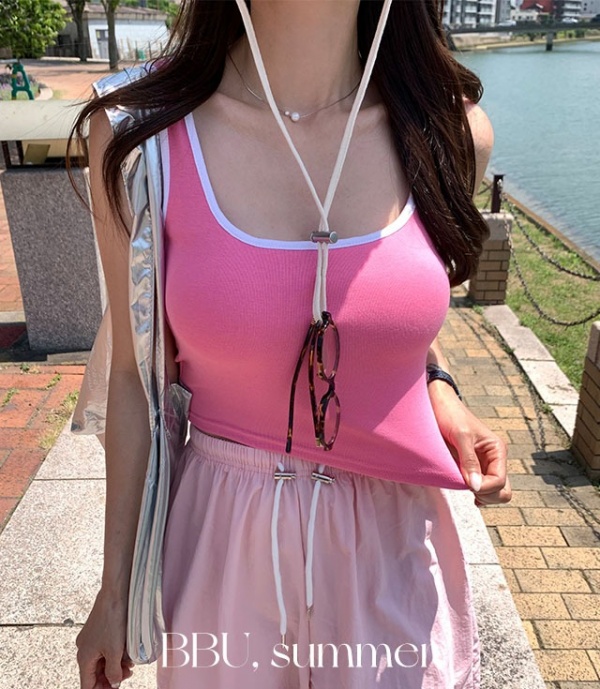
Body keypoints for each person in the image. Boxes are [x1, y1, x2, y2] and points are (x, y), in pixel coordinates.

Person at [73, 0, 512, 687]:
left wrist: (437, 385)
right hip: (224, 552)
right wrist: (114, 588)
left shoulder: (448, 129)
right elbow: (132, 377)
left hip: (393, 551)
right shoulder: (139, 135)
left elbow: (393, 322)